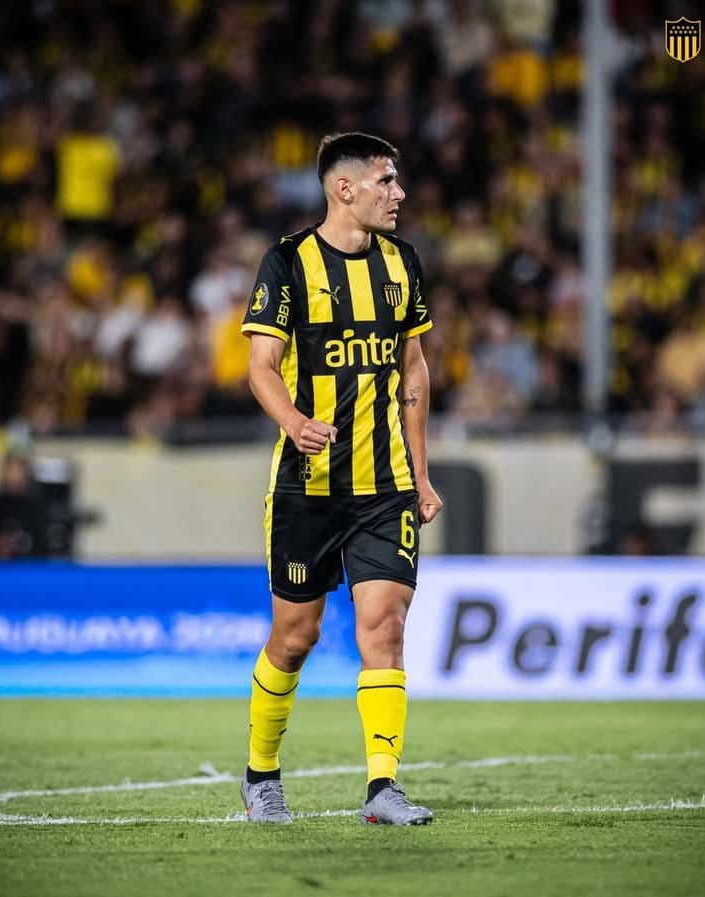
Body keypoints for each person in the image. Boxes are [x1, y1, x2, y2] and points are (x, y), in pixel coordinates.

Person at [238, 132, 443, 825]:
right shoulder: (287, 263)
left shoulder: (402, 263)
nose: (399, 193)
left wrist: (420, 471)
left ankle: (383, 788)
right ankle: (261, 775)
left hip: (384, 486)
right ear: (344, 188)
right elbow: (261, 366)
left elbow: (413, 369)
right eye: (386, 181)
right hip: (309, 485)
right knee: (295, 638)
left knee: (384, 625)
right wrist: (294, 420)